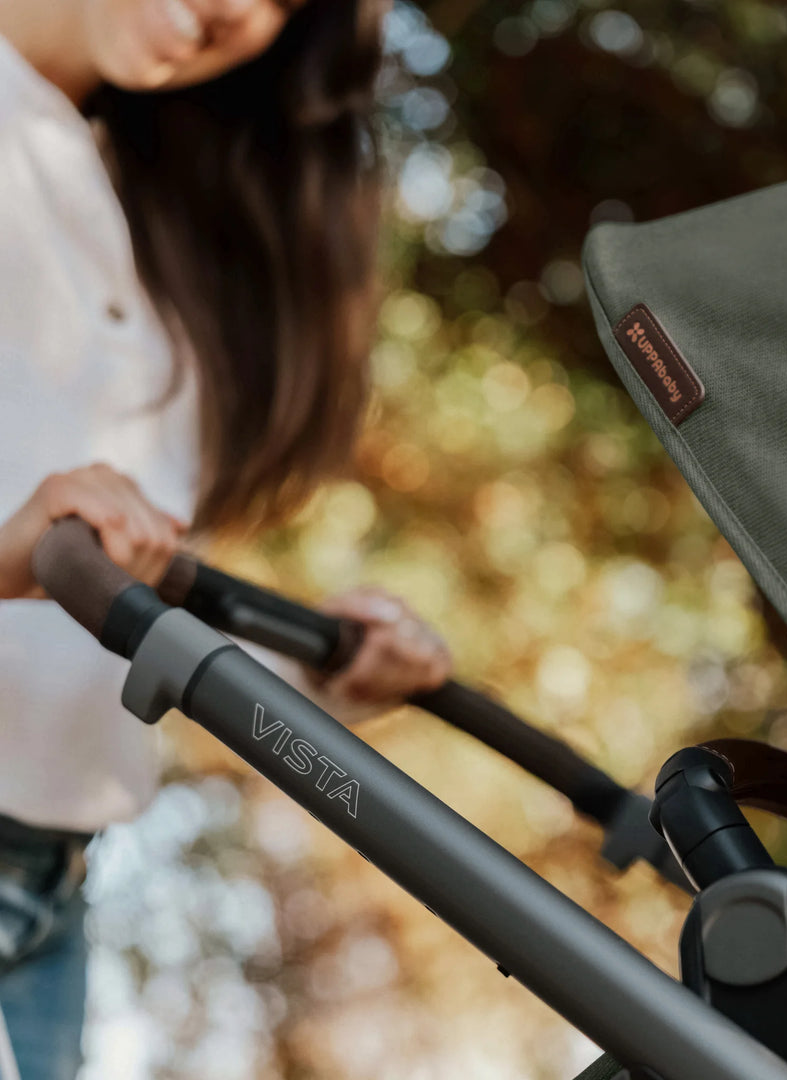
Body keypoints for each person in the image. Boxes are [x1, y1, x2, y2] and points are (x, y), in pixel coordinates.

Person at [0, 2, 452, 1077]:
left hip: (52, 881)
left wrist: (317, 654)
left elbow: (119, 586)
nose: (240, 11)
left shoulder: (144, 201)